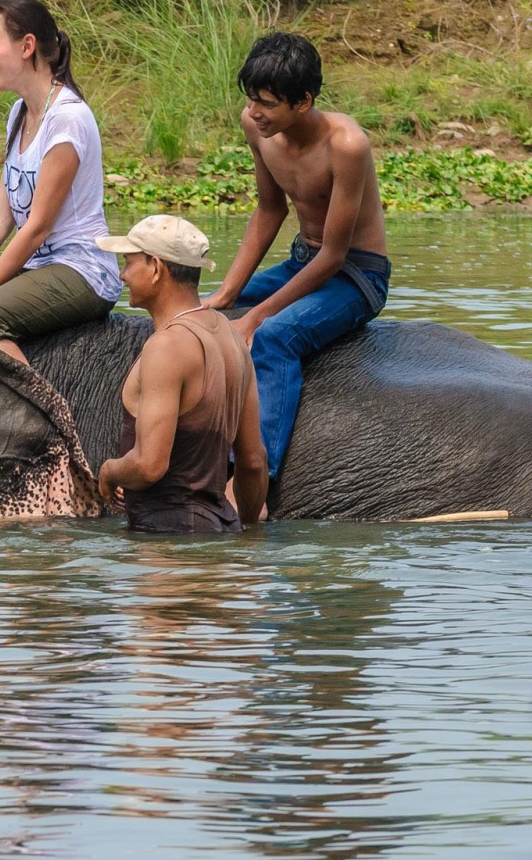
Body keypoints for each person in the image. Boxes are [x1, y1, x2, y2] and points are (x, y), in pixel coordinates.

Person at [201, 32, 390, 488]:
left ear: (303, 101)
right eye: (250, 100)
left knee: (275, 338)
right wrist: (227, 293)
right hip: (302, 259)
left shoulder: (346, 145)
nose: (254, 112)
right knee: (201, 307)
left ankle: (254, 477)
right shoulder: (257, 129)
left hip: (354, 275)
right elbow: (270, 210)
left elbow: (333, 255)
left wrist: (257, 317)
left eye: (267, 103)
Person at [0, 0, 120, 364]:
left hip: (82, 271)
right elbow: (1, 214)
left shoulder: (66, 120)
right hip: (39, 267)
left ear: (27, 46)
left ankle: (41, 418)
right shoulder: (19, 113)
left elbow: (36, 227)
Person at [96, 215, 267, 532]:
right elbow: (254, 462)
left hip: (167, 546)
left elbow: (149, 466)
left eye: (129, 263)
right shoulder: (232, 339)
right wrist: (247, 536)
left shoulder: (166, 346)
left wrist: (110, 471)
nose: (122, 275)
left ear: (156, 268)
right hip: (222, 529)